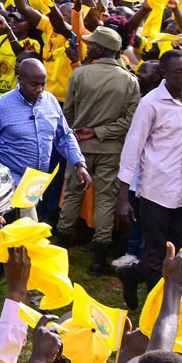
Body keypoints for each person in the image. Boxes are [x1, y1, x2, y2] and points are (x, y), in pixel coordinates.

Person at [115, 46, 182, 296]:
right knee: (156, 251)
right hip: (156, 190)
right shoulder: (150, 105)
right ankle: (156, 307)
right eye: (179, 72)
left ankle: (136, 276)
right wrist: (123, 197)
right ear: (164, 74)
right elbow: (132, 149)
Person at [58, 27, 141, 266]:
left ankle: (62, 247)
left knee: (72, 193)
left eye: (92, 44)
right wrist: (100, 132)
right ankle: (98, 260)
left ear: (102, 48)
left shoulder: (81, 74)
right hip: (111, 150)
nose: (88, 46)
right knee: (106, 199)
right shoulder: (129, 80)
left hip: (79, 148)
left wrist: (78, 133)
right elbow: (129, 120)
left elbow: (69, 112)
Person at [0, 58, 90, 209]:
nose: (40, 89)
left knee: (30, 229)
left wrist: (79, 164)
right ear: (20, 80)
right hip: (8, 186)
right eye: (34, 85)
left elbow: (64, 136)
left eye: (43, 84)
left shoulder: (51, 102)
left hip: (35, 186)